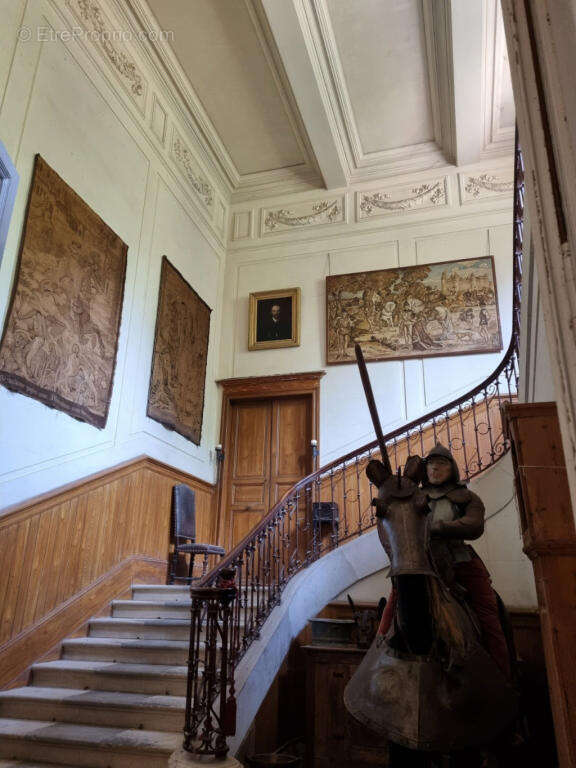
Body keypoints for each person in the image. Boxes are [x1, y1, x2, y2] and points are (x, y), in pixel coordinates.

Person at [378, 443, 511, 679]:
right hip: (421, 561)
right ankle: (377, 656)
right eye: (430, 464)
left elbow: (474, 525)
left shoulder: (466, 497)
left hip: (458, 560)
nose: (434, 469)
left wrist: (439, 527)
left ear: (452, 468)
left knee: (487, 611)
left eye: (441, 464)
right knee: (393, 604)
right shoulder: (414, 497)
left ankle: (502, 675)